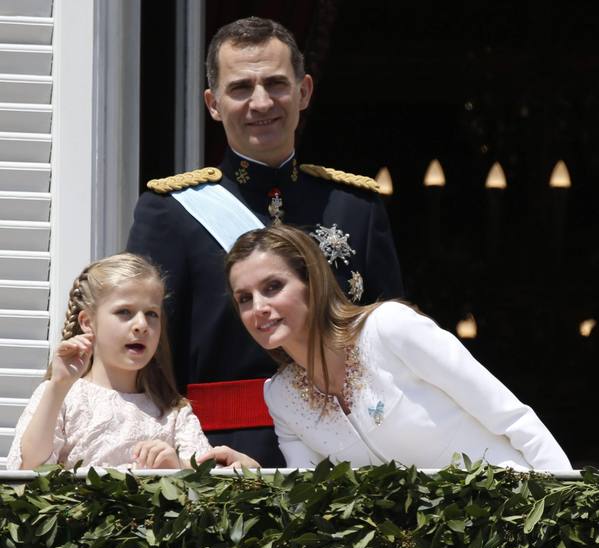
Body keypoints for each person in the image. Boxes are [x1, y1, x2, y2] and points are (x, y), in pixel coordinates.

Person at [126, 16, 403, 466]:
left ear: (304, 91)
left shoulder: (357, 207)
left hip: (343, 455)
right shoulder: (170, 212)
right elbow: (144, 355)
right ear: (213, 104)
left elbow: (389, 349)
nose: (260, 102)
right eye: (240, 88)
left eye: (276, 84)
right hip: (217, 455)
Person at [225, 225, 572, 471]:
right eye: (244, 298)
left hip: (516, 516)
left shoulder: (389, 328)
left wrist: (563, 509)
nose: (258, 307)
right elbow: (309, 497)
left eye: (273, 287)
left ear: (311, 284)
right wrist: (255, 478)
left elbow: (511, 416)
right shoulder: (281, 395)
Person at [6, 253, 257, 471]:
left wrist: (175, 469)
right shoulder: (62, 396)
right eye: (124, 312)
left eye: (151, 314)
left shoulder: (173, 411)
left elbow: (204, 488)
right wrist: (59, 385)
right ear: (87, 322)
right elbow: (30, 469)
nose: (141, 326)